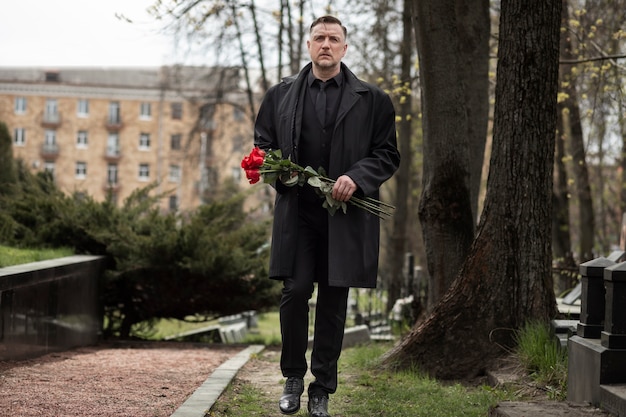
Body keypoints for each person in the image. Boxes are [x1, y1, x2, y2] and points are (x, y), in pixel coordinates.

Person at [254, 15, 400, 417]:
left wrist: (356, 176)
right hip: (298, 212)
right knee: (296, 291)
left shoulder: (373, 100)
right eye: (320, 37)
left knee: (335, 302)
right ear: (308, 44)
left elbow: (387, 154)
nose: (326, 44)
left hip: (346, 216)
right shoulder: (280, 95)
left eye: (334, 39)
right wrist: (279, 171)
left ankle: (322, 389)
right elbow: (263, 147)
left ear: (345, 48)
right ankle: (293, 377)